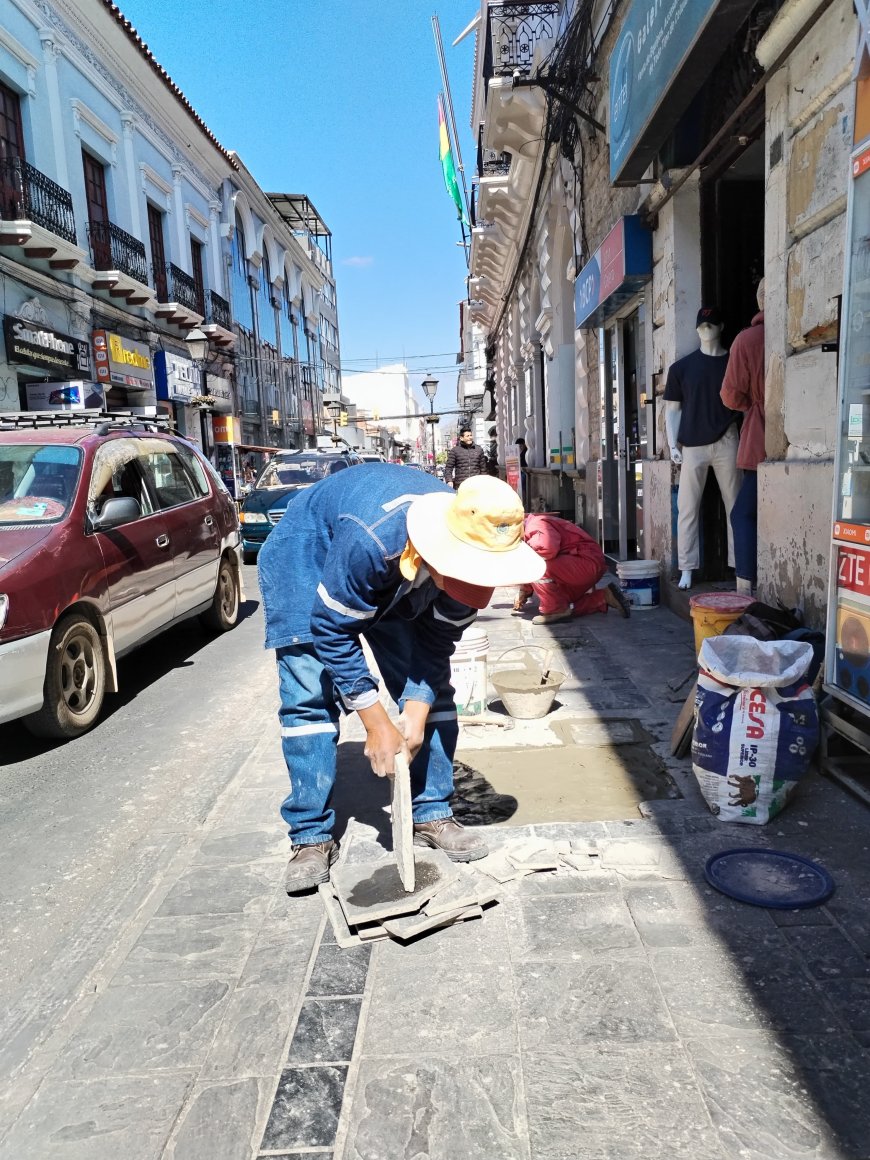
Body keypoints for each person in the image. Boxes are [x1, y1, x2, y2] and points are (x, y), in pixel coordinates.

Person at [258, 467, 546, 893]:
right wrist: (375, 722)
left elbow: (434, 648)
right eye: (469, 576)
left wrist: (415, 710)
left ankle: (431, 810)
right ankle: (310, 836)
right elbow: (332, 630)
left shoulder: (473, 545)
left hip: (393, 567)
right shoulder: (374, 543)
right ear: (441, 554)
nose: (478, 589)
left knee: (433, 692)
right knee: (308, 695)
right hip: (308, 556)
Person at [664, 307, 742, 590]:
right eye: (702, 325)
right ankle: (687, 568)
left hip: (727, 439)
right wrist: (673, 445)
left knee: (735, 506)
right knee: (687, 509)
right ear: (696, 329)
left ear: (721, 326)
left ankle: (740, 567)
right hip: (692, 446)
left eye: (711, 324)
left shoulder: (734, 362)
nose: (706, 328)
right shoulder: (681, 368)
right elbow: (672, 409)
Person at [721, 280, 765, 596]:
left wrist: (753, 403)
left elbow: (731, 395)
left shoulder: (747, 340)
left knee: (742, 513)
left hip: (761, 434)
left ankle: (744, 591)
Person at [511, 512, 631, 623]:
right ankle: (604, 597)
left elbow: (546, 550)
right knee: (561, 600)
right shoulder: (534, 524)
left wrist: (525, 586)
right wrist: (525, 591)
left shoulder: (534, 524)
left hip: (585, 564)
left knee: (537, 566)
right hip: (585, 565)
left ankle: (555, 610)